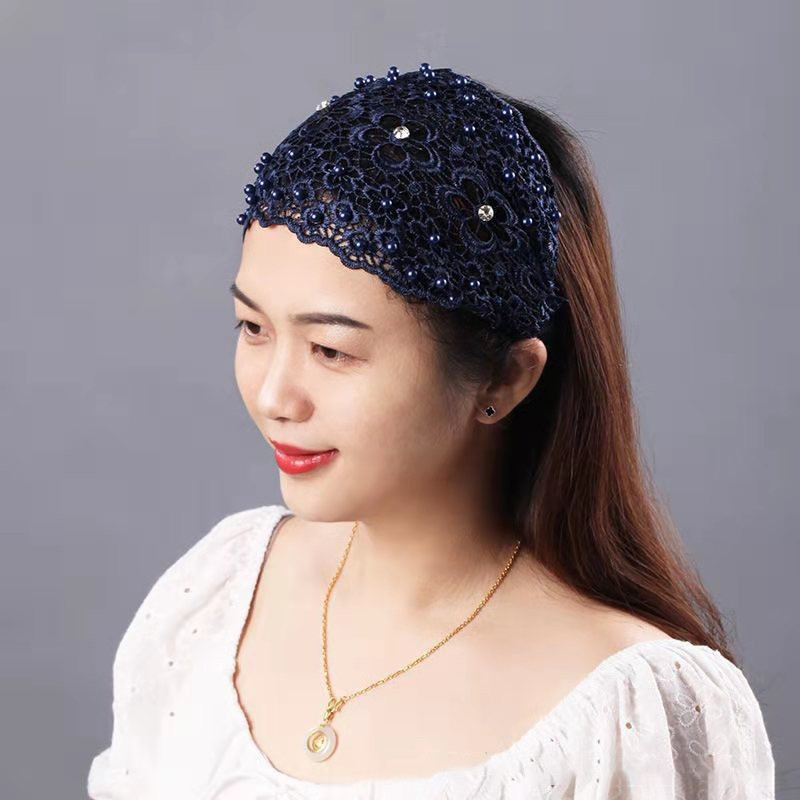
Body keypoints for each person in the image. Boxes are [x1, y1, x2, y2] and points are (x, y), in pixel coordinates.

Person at [87, 62, 776, 799]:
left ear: (504, 378)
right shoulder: (217, 595)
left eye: (331, 350)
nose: (273, 395)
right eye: (252, 328)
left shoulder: (628, 709)